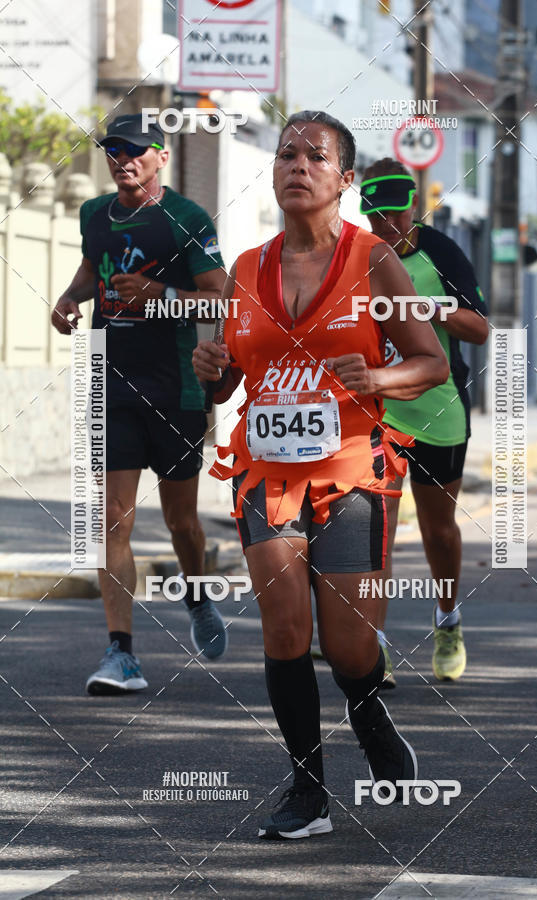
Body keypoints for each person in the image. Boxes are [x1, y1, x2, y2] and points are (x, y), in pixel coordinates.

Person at [192, 111, 449, 839]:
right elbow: (228, 378)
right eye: (286, 154)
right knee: (283, 630)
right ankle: (308, 793)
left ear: (345, 179)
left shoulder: (373, 260)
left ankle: (369, 715)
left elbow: (430, 362)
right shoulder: (246, 270)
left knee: (350, 648)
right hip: (266, 474)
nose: (297, 166)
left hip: (352, 472)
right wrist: (212, 369)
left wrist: (376, 375)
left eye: (315, 156)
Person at [51, 114, 228, 695]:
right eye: (113, 150)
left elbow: (219, 299)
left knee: (181, 522)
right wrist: (70, 297)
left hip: (175, 389)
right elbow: (91, 266)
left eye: (135, 150)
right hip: (111, 386)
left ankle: (197, 595)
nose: (123, 159)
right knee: (112, 519)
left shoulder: (188, 218)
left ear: (161, 156)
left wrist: (159, 295)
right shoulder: (93, 213)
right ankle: (120, 653)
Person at [359, 158, 489, 685]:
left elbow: (479, 328)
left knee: (438, 531)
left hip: (439, 407)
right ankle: (375, 645)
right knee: (377, 532)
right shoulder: (356, 255)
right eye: (376, 216)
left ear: (413, 206)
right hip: (379, 411)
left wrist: (430, 307)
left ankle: (448, 620)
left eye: (395, 214)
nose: (386, 225)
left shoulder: (441, 252)